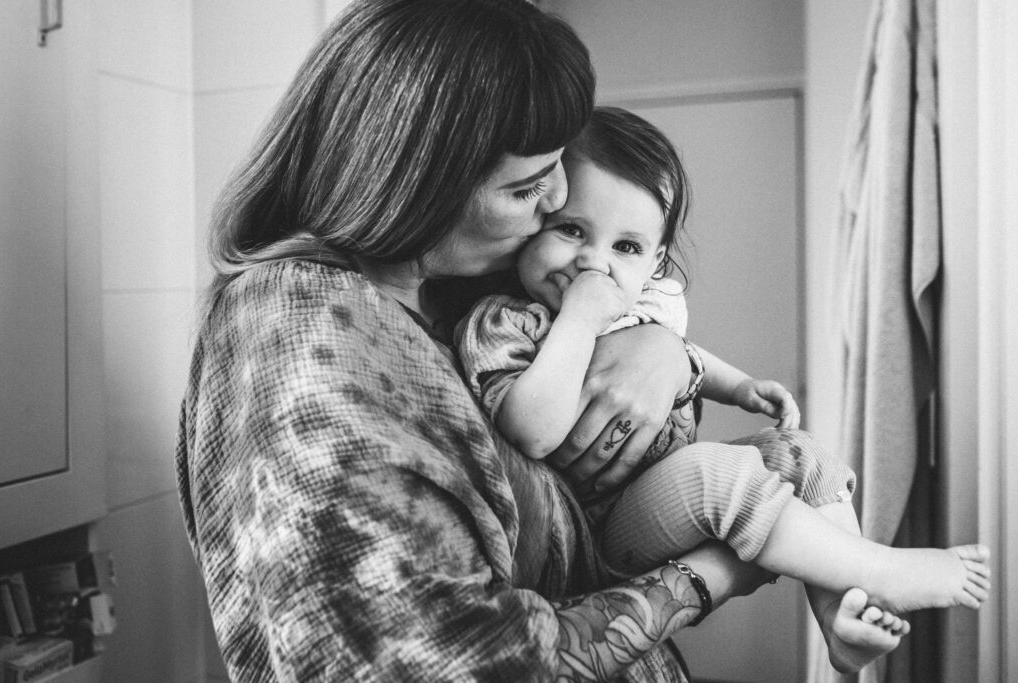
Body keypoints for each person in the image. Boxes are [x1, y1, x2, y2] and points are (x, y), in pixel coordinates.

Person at [175, 1, 915, 680]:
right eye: (528, 187)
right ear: (416, 189)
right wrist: (711, 572)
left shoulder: (431, 288)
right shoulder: (306, 339)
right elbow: (475, 662)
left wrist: (663, 349)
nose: (559, 199)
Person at [456, 106, 990, 619]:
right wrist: (577, 319)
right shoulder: (507, 323)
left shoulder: (642, 305)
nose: (594, 262)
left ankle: (840, 614)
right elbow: (532, 432)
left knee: (799, 454)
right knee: (719, 473)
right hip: (598, 530)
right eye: (571, 230)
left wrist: (739, 387)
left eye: (626, 246)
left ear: (655, 261)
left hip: (657, 490)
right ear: (536, 219)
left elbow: (684, 353)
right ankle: (880, 570)